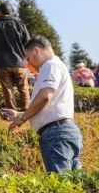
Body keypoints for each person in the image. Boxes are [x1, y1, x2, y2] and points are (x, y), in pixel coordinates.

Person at [5, 36, 83, 173]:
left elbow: (45, 96)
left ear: (36, 51)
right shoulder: (56, 65)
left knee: (60, 185)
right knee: (75, 184)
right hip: (63, 131)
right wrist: (19, 114)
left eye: (28, 58)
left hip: (57, 134)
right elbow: (49, 103)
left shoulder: (50, 65)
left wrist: (22, 118)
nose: (29, 64)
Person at [0, 1, 31, 110]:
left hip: (2, 63)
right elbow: (28, 42)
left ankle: (11, 113)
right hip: (19, 62)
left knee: (7, 89)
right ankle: (27, 112)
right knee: (23, 88)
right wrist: (24, 55)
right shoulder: (20, 25)